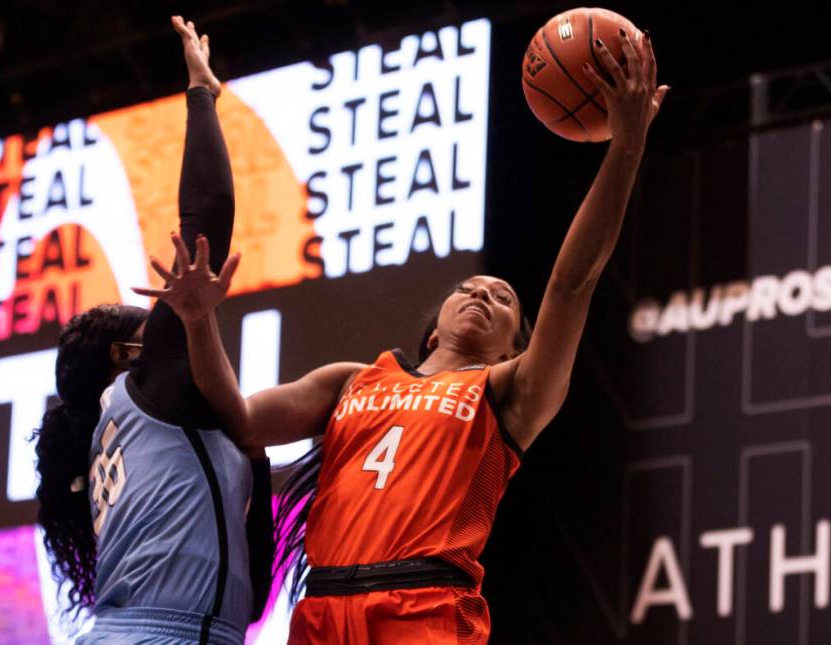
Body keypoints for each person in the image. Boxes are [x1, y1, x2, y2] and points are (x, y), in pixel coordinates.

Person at [141, 30, 667, 644]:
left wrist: (626, 148)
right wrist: (200, 321)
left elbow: (572, 284)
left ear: (513, 349)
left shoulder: (510, 394)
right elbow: (241, 422)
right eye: (470, 287)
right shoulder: (352, 380)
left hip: (424, 610)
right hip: (321, 612)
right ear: (432, 327)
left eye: (503, 298)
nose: (482, 295)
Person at [33, 16, 273, 645]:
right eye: (156, 321)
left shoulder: (122, 434)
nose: (170, 316)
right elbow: (208, 214)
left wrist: (256, 462)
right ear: (129, 353)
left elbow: (251, 600)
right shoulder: (146, 390)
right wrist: (201, 92)